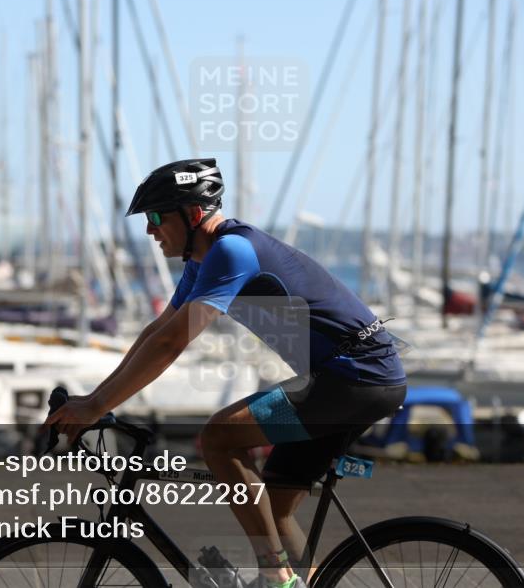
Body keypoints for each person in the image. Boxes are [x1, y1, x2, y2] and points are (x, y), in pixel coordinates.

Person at [46, 158, 407, 588]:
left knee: (219, 438)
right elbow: (158, 331)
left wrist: (96, 407)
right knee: (272, 510)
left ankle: (275, 577)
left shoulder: (232, 251)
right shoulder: (201, 261)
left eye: (157, 217)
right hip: (350, 378)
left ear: (193, 214)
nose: (149, 230)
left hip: (356, 378)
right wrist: (93, 400)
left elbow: (172, 343)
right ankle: (291, 581)